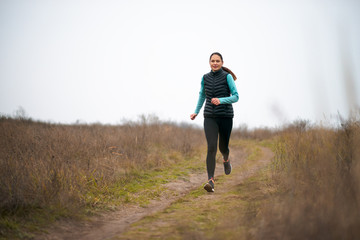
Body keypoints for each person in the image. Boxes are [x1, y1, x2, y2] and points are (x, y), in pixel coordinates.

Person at [190, 52, 239, 192]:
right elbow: (202, 95)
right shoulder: (205, 78)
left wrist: (221, 100)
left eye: (218, 61)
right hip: (210, 116)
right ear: (209, 63)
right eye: (213, 61)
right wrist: (196, 112)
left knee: (223, 147)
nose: (215, 63)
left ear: (222, 63)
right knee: (211, 147)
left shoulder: (228, 77)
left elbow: (236, 97)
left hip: (225, 117)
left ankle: (226, 158)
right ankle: (210, 181)